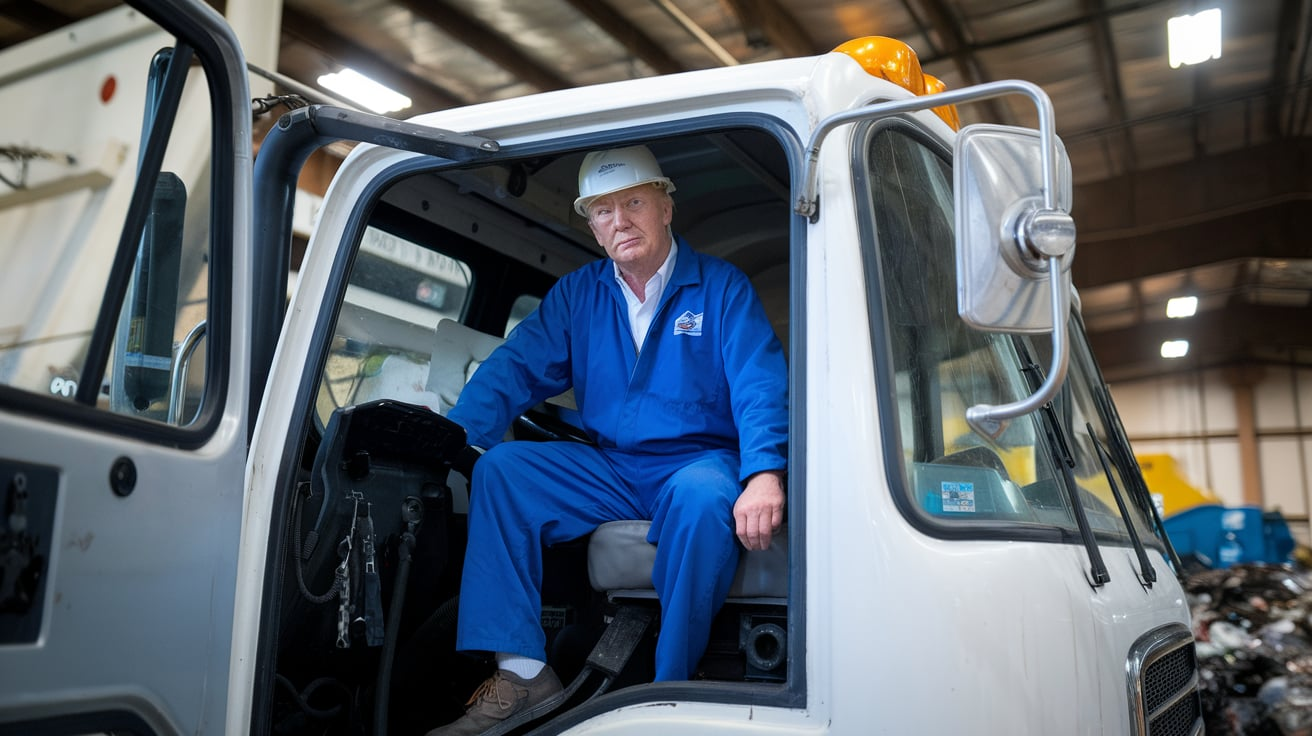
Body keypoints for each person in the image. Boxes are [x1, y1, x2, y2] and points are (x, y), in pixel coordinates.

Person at [428, 145, 788, 736]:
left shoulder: (721, 289)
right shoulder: (579, 296)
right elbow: (515, 366)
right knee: (504, 471)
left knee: (701, 500)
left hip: (700, 464)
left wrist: (764, 473)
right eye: (602, 211)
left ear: (665, 207)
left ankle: (667, 690)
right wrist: (453, 437)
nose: (619, 220)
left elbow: (759, 382)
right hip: (614, 470)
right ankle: (523, 675)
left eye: (633, 203)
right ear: (592, 227)